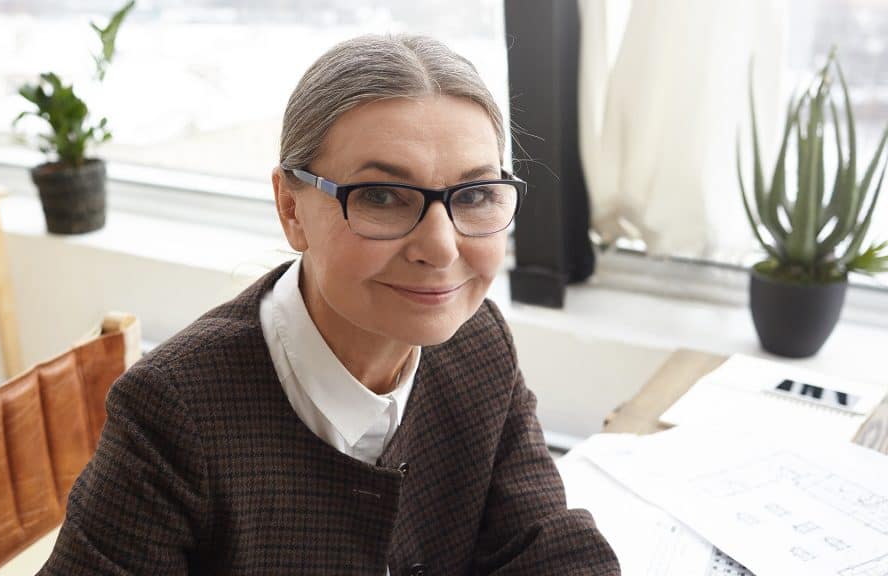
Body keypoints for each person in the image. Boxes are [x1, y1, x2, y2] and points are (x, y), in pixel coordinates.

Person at [40, 34, 619, 575]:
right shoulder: (174, 411)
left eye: (474, 194)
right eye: (383, 197)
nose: (442, 249)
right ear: (292, 210)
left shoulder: (478, 339)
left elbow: (543, 541)